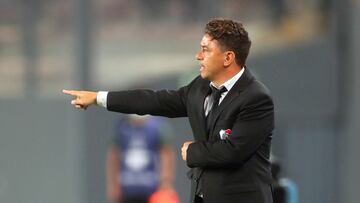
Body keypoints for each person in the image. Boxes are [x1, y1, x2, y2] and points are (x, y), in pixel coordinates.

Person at [63, 18, 275, 203]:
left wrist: (192, 151)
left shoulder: (256, 98)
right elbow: (156, 101)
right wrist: (99, 97)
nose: (198, 56)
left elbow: (232, 152)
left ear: (228, 58)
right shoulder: (200, 88)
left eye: (205, 49)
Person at [106, 115, 177, 203]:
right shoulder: (121, 126)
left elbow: (166, 155)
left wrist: (165, 183)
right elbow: (114, 156)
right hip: (126, 189)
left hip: (152, 189)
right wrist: (113, 185)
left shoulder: (158, 126)